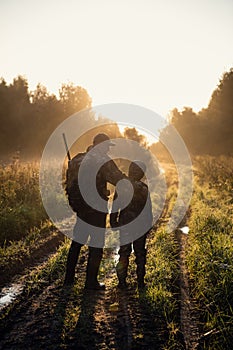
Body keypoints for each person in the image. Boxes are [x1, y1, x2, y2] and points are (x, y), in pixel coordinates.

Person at [64, 133, 125, 290]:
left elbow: (69, 183)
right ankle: (91, 282)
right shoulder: (102, 160)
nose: (107, 150)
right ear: (100, 145)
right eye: (106, 146)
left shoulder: (77, 159)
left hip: (80, 208)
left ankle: (68, 278)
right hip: (96, 209)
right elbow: (119, 179)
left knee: (77, 242)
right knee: (96, 245)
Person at [110, 160, 153, 290]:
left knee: (124, 253)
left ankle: (122, 283)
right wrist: (148, 226)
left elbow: (115, 207)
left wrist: (113, 222)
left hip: (125, 224)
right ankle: (140, 282)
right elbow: (148, 210)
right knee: (140, 253)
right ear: (142, 173)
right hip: (140, 227)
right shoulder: (144, 188)